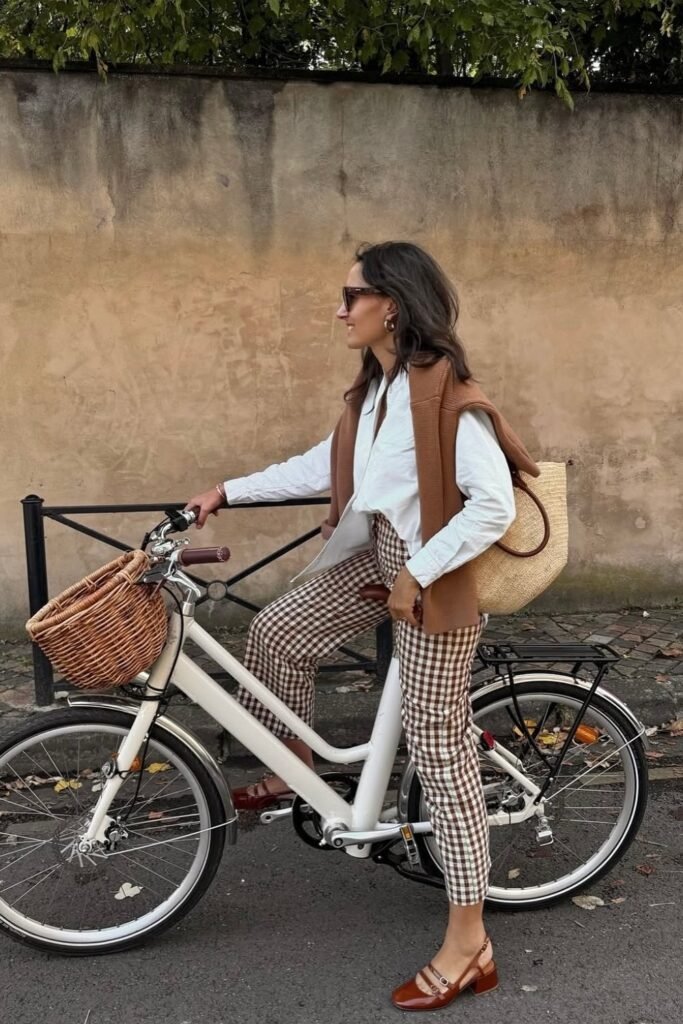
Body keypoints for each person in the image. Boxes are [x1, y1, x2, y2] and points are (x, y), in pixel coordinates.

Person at [185, 240, 539, 1011]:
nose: (338, 309)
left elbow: (492, 504)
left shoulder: (441, 391)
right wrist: (228, 489)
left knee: (437, 744)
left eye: (351, 296)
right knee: (276, 631)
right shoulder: (377, 392)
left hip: (432, 577)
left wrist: (418, 571)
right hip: (380, 556)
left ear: (394, 305)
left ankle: (469, 941)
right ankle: (294, 768)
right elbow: (327, 463)